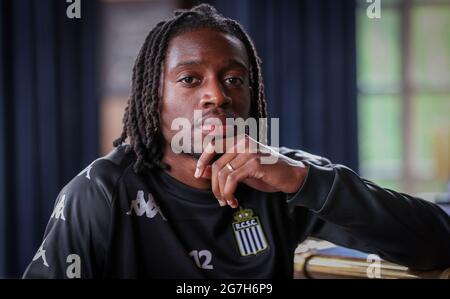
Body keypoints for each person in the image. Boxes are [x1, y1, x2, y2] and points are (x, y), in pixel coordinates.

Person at [23, 4, 450, 279]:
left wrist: (305, 181)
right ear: (154, 99)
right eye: (190, 79)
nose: (218, 95)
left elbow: (436, 244)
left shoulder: (282, 177)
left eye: (234, 80)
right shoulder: (101, 192)